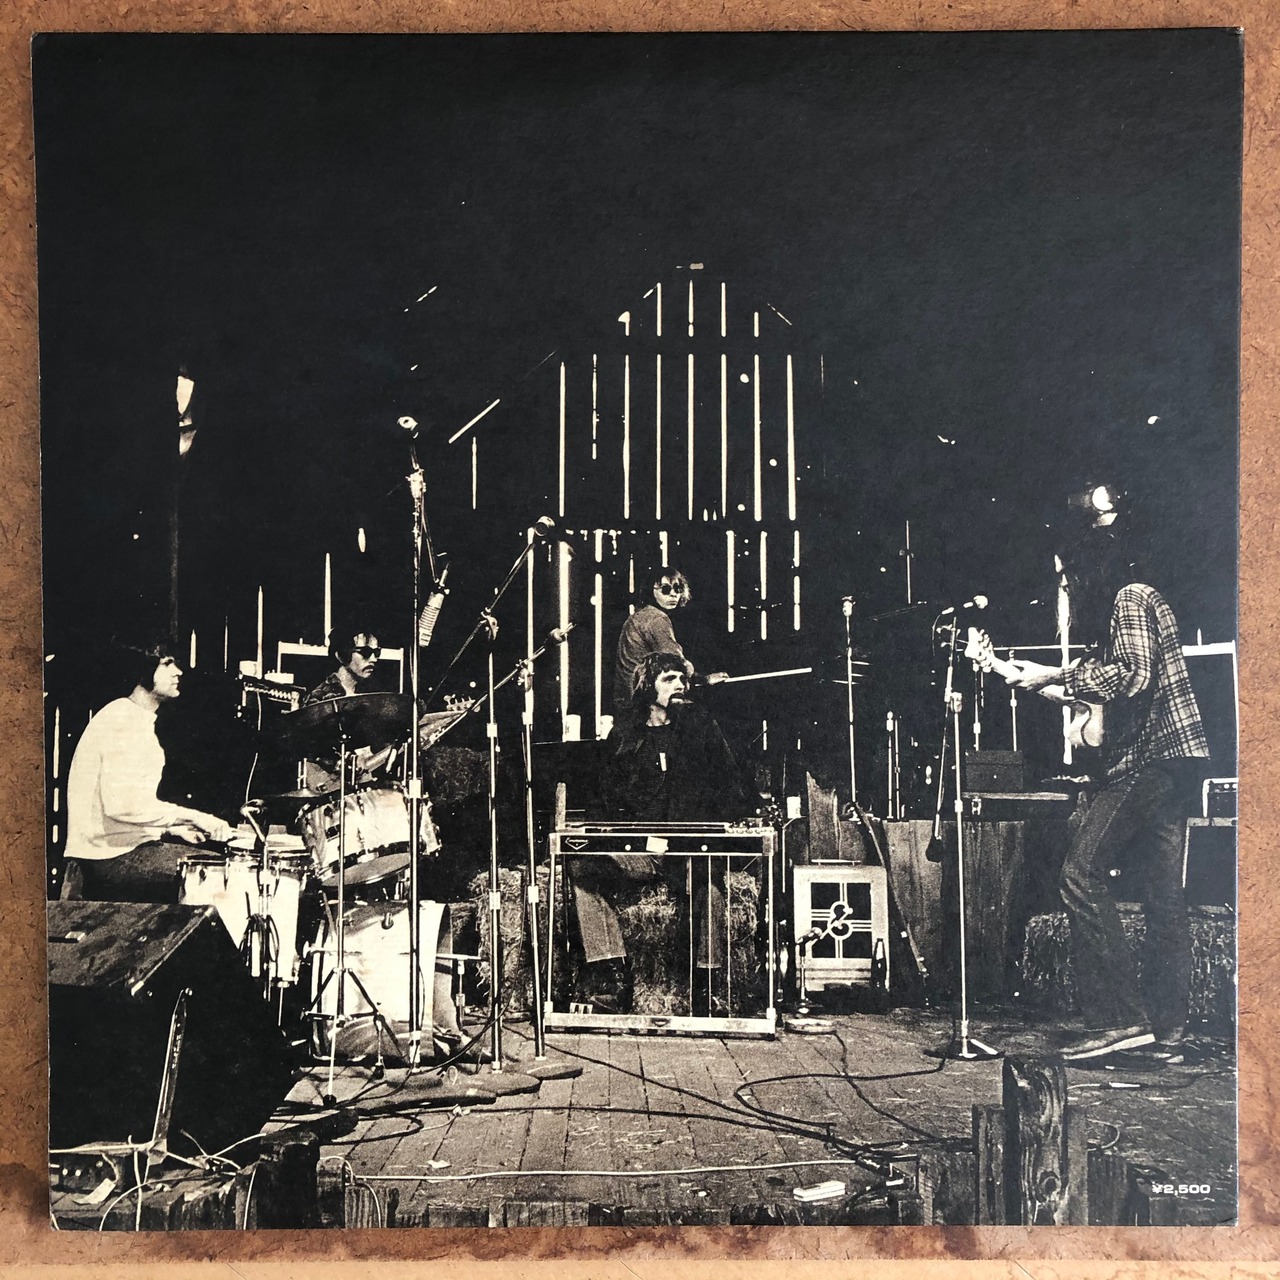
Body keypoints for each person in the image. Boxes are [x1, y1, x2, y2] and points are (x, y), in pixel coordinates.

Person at [1003, 528, 1209, 1062]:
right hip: (1175, 759)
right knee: (1164, 898)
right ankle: (1166, 1032)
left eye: (1068, 577)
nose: (1066, 588)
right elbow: (1120, 690)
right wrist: (1044, 681)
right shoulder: (1138, 602)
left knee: (1079, 874)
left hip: (1152, 760)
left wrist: (1056, 675)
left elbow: (1133, 676)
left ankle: (1119, 1019)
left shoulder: (1129, 597)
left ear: (1090, 570)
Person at [573, 651, 758, 1014]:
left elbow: (733, 784)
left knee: (709, 886)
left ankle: (706, 987)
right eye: (669, 679)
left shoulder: (700, 727)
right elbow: (603, 797)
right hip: (643, 850)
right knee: (582, 868)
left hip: (688, 850)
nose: (679, 685)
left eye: (682, 679)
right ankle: (613, 975)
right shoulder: (624, 735)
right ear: (647, 687)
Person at [62, 642, 232, 903]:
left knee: (216, 868)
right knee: (220, 878)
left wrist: (170, 828)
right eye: (167, 664)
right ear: (143, 671)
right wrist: (198, 817)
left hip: (117, 850)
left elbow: (124, 809)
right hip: (107, 858)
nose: (178, 672)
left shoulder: (132, 717)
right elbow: (122, 805)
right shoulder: (123, 721)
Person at [612, 567, 728, 714]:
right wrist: (705, 680)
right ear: (650, 591)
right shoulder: (656, 618)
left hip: (626, 700)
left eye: (678, 589)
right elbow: (677, 662)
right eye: (665, 589)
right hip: (643, 704)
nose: (673, 594)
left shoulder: (639, 616)